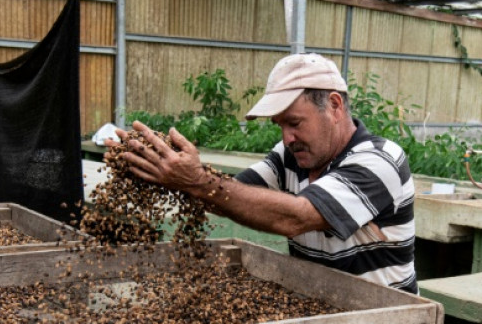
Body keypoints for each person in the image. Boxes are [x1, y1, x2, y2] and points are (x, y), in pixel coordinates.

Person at [115, 53, 417, 294]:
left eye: (295, 123)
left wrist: (195, 180)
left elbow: (296, 217)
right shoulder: (291, 155)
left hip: (384, 318)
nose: (287, 138)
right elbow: (231, 193)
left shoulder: (380, 161)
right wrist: (163, 169)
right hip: (320, 309)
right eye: (280, 125)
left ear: (335, 106)